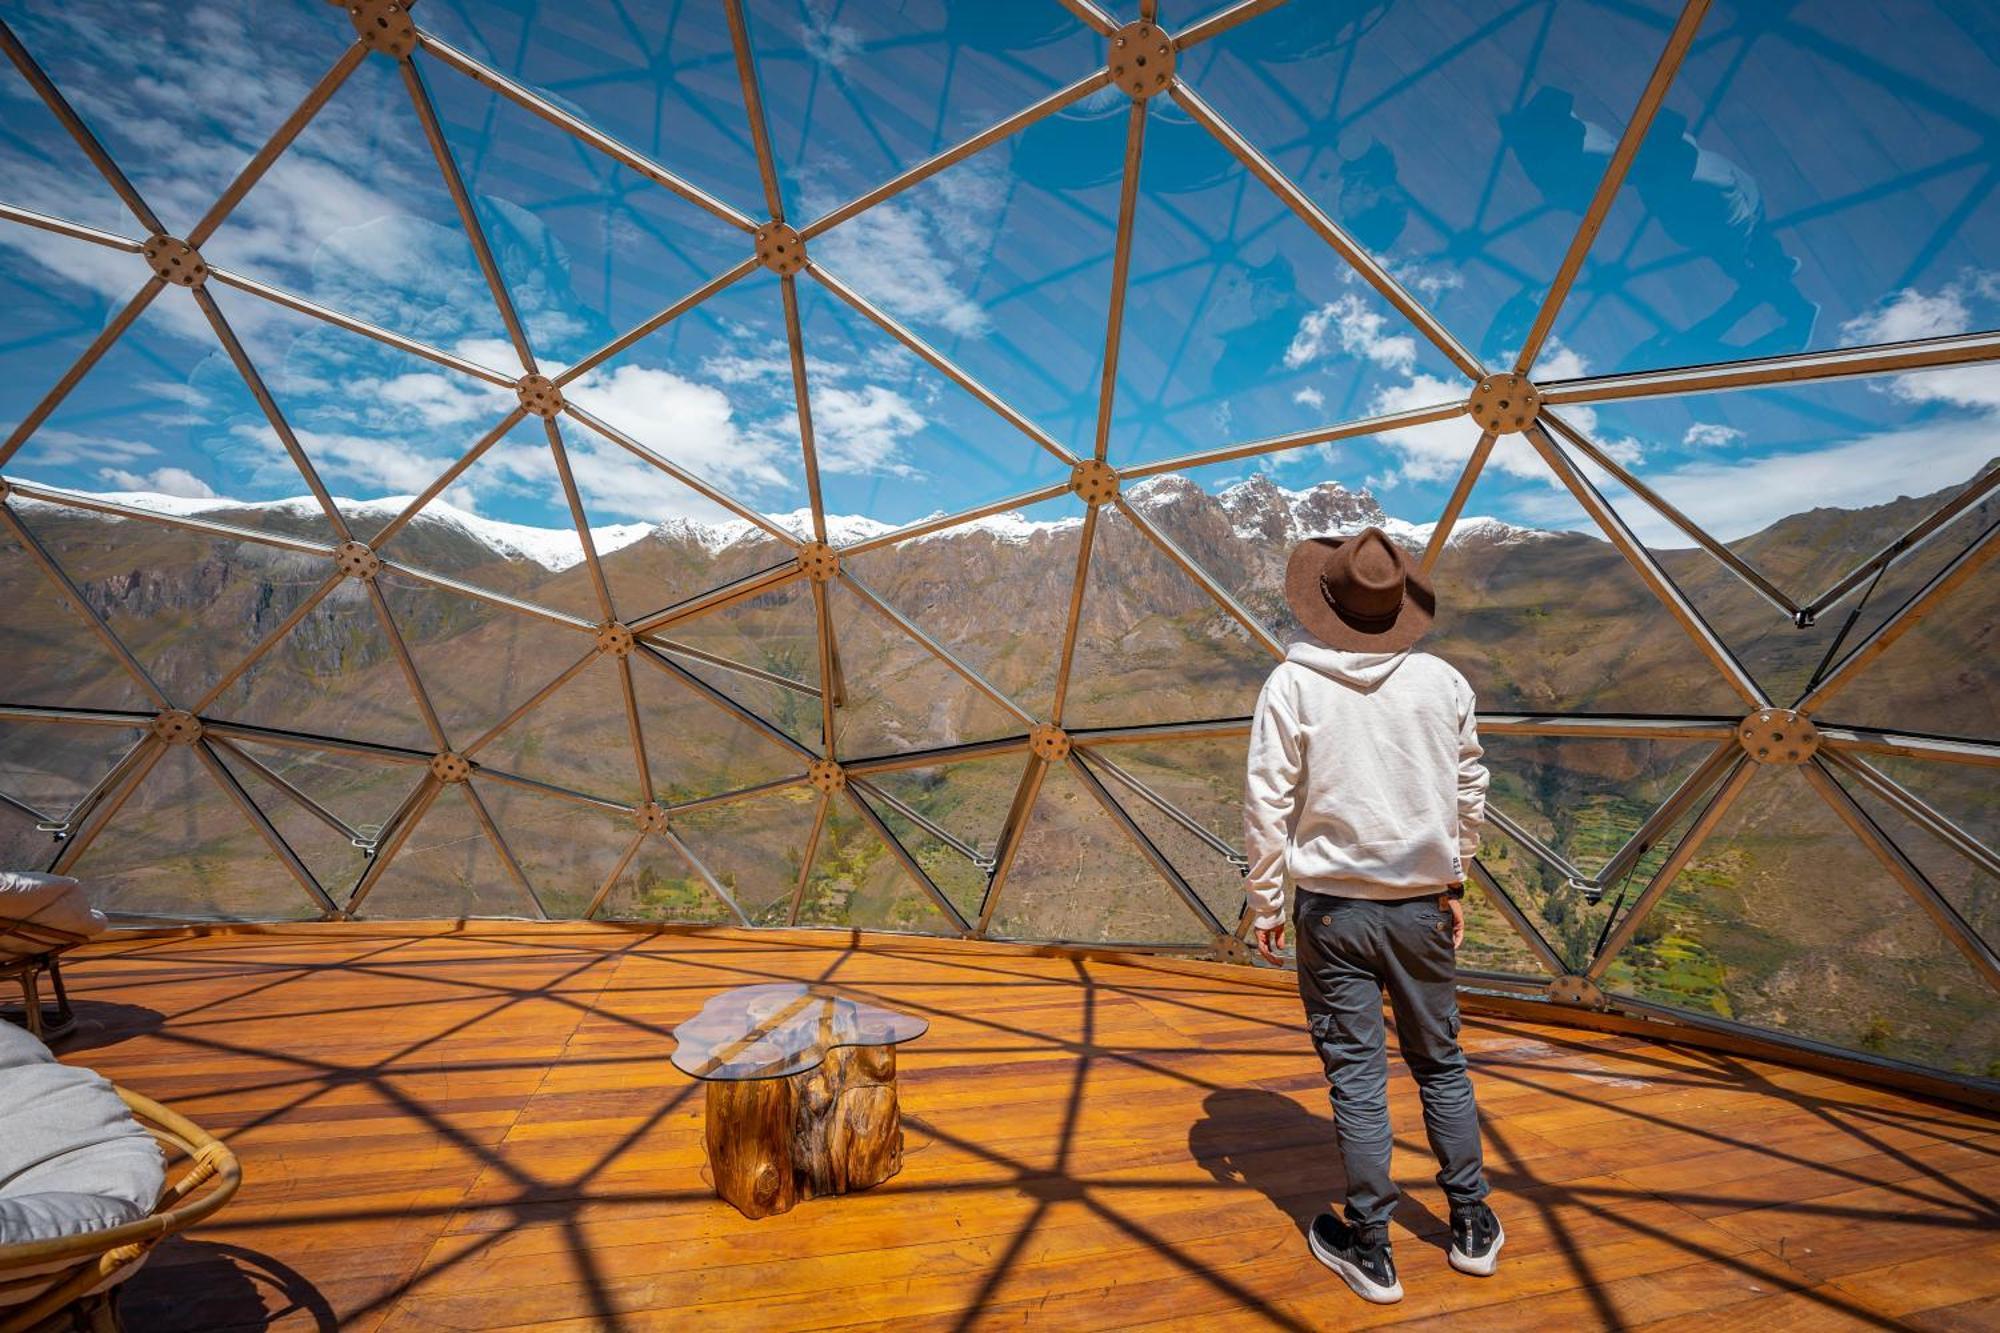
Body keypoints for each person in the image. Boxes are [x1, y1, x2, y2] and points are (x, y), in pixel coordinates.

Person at [1242, 527, 1500, 1304]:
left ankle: (1372, 1247)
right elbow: (1469, 791)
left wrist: (1267, 902)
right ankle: (1471, 1223)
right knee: (1441, 1061)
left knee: (1357, 1075)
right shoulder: (1444, 683)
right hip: (1421, 908)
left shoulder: (1292, 684)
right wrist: (1453, 882)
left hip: (1334, 913)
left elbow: (1266, 800)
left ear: (1326, 602)